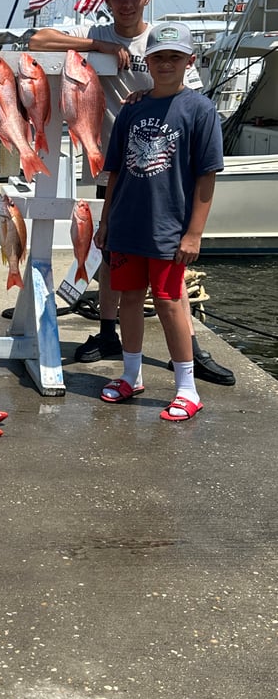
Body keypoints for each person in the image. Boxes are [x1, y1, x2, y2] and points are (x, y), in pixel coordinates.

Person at [30, 0, 235, 386]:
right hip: (114, 161)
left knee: (167, 270)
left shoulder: (162, 41)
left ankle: (190, 350)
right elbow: (37, 39)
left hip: (162, 171)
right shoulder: (99, 36)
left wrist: (153, 92)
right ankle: (109, 334)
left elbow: (189, 100)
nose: (126, 2)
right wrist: (99, 48)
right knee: (112, 255)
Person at [95, 22, 223, 421]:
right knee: (129, 301)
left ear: (190, 61)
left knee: (169, 303)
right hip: (126, 225)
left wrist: (194, 233)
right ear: (146, 61)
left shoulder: (200, 110)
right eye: (159, 56)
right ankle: (131, 374)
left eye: (174, 57)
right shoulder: (132, 108)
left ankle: (187, 386)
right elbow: (114, 170)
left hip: (169, 229)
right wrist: (105, 222)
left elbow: (207, 175)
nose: (166, 63)